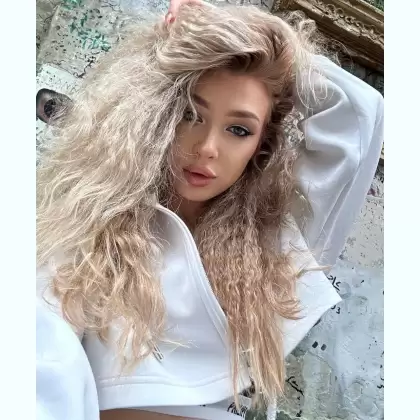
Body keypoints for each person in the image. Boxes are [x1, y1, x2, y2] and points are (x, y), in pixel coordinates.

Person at [36, 2, 384, 420]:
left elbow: (358, 111)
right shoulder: (93, 229)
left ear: (261, 145)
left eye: (239, 129)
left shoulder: (276, 245)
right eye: (190, 115)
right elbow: (40, 361)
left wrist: (248, 34)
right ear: (155, 117)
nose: (206, 148)